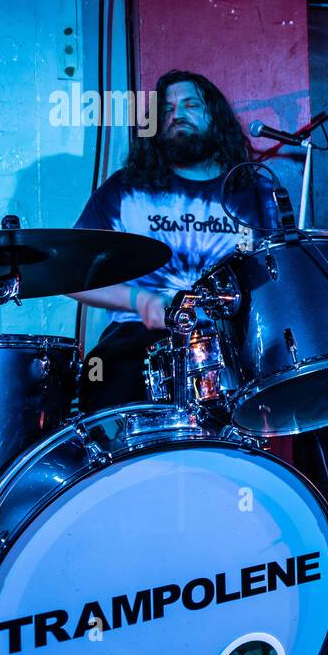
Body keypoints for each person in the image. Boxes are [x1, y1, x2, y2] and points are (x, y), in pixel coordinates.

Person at [68, 69, 278, 412]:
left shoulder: (253, 192)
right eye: (166, 109)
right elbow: (68, 272)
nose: (177, 114)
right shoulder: (126, 189)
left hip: (233, 345)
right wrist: (141, 301)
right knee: (107, 381)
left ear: (216, 116)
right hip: (138, 343)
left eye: (190, 104)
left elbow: (277, 278)